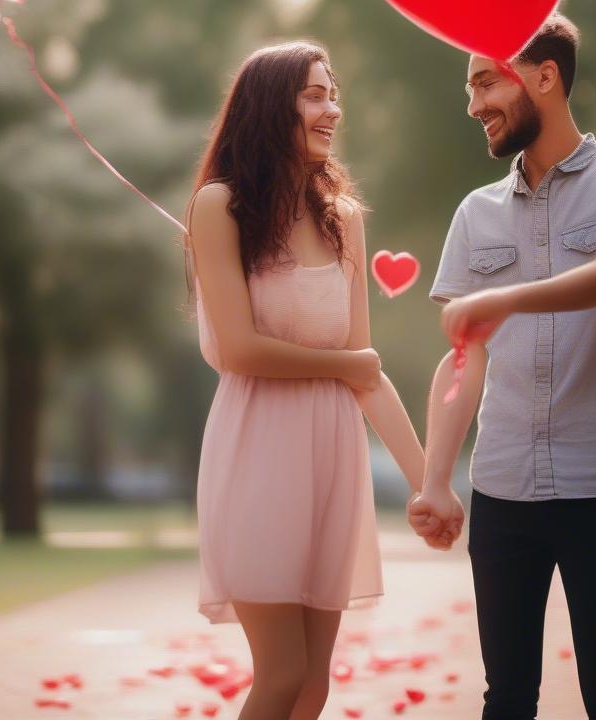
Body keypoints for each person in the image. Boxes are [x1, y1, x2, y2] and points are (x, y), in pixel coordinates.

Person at [408, 12, 596, 720]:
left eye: (483, 82)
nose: (472, 105)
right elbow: (463, 360)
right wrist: (436, 480)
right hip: (502, 488)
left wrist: (498, 301)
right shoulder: (476, 214)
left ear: (544, 76)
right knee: (506, 699)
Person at [184, 39, 454, 720]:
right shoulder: (219, 207)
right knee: (280, 676)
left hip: (332, 459)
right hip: (257, 450)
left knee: (313, 688)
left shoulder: (345, 220)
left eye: (333, 93)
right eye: (313, 94)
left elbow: (368, 370)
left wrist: (431, 485)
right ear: (271, 105)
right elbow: (243, 349)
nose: (331, 108)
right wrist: (341, 366)